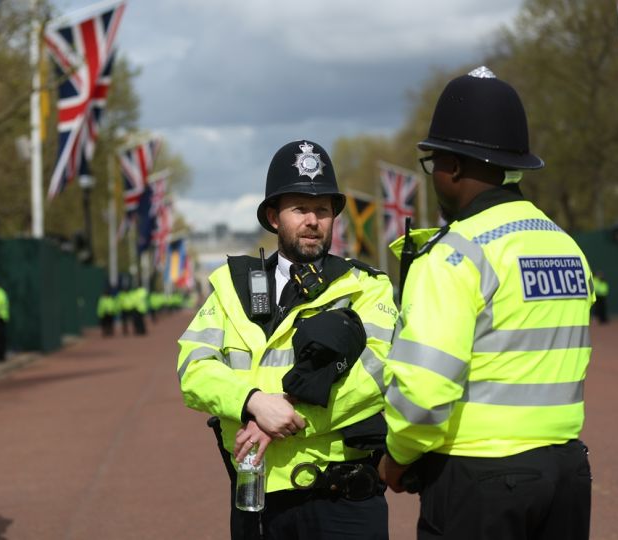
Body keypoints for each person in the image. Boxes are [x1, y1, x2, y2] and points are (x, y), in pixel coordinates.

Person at [379, 67, 595, 540]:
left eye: (434, 163)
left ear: (454, 167)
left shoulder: (456, 254)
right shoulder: (565, 246)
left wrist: (397, 456)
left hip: (479, 477)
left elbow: (425, 391)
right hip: (566, 471)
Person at [178, 140, 397, 539]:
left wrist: (284, 422)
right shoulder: (231, 288)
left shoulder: (367, 287)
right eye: (299, 209)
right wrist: (254, 403)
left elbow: (374, 376)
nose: (313, 220)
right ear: (274, 217)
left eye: (323, 210)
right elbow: (194, 368)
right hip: (257, 497)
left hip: (342, 500)